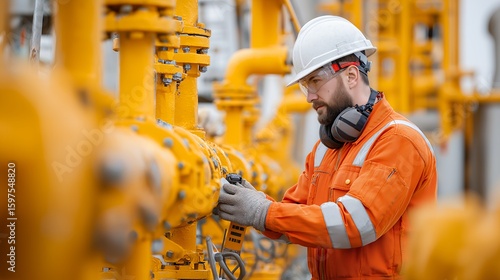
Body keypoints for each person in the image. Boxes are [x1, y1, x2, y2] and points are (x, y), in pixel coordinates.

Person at [216, 15, 437, 279]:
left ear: (352, 76)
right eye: (304, 85)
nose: (309, 96)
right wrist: (252, 203)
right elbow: (292, 217)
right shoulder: (326, 149)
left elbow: (356, 223)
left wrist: (263, 212)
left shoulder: (398, 140)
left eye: (315, 82)